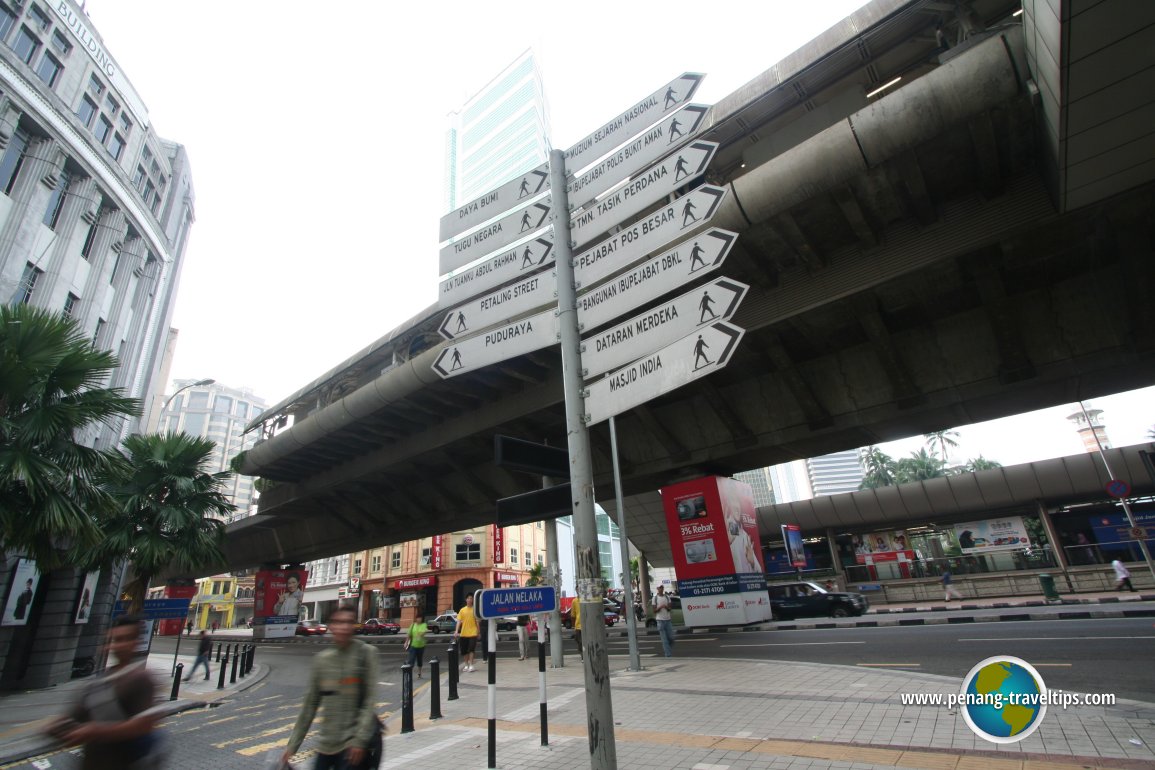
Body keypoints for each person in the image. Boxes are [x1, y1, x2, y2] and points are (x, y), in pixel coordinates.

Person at [47, 615, 166, 769]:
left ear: (136, 642)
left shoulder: (142, 679)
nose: (120, 645)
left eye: (126, 639)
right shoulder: (97, 682)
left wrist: (96, 730)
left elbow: (144, 725)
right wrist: (57, 727)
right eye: (116, 640)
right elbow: (76, 715)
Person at [282, 606, 380, 770]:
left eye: (349, 622)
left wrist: (360, 740)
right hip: (326, 745)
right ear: (331, 626)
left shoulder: (367, 653)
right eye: (339, 622)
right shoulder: (322, 660)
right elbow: (310, 705)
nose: (345, 627)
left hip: (352, 747)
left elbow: (370, 701)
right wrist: (292, 746)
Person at [453, 594, 480, 673]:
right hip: (464, 633)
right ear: (466, 600)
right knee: (464, 651)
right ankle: (466, 665)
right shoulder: (462, 610)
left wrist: (479, 632)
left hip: (473, 633)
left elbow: (477, 622)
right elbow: (459, 621)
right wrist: (456, 631)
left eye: (471, 598)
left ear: (473, 600)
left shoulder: (475, 610)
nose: (469, 600)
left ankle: (471, 665)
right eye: (468, 598)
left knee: (471, 649)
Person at [404, 611, 428, 679]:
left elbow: (424, 631)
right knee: (411, 660)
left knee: (419, 660)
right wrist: (406, 642)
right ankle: (408, 673)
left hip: (421, 646)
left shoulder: (424, 624)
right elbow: (409, 634)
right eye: (418, 618)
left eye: (420, 618)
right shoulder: (413, 625)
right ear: (416, 618)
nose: (419, 619)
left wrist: (420, 634)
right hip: (413, 646)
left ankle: (419, 674)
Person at [654, 586, 674, 657]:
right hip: (660, 621)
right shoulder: (655, 598)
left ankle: (668, 650)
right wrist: (660, 607)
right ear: (657, 589)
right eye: (659, 588)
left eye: (662, 588)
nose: (661, 589)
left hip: (668, 620)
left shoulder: (667, 597)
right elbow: (654, 610)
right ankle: (668, 655)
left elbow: (670, 608)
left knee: (671, 638)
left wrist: (666, 607)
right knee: (664, 640)